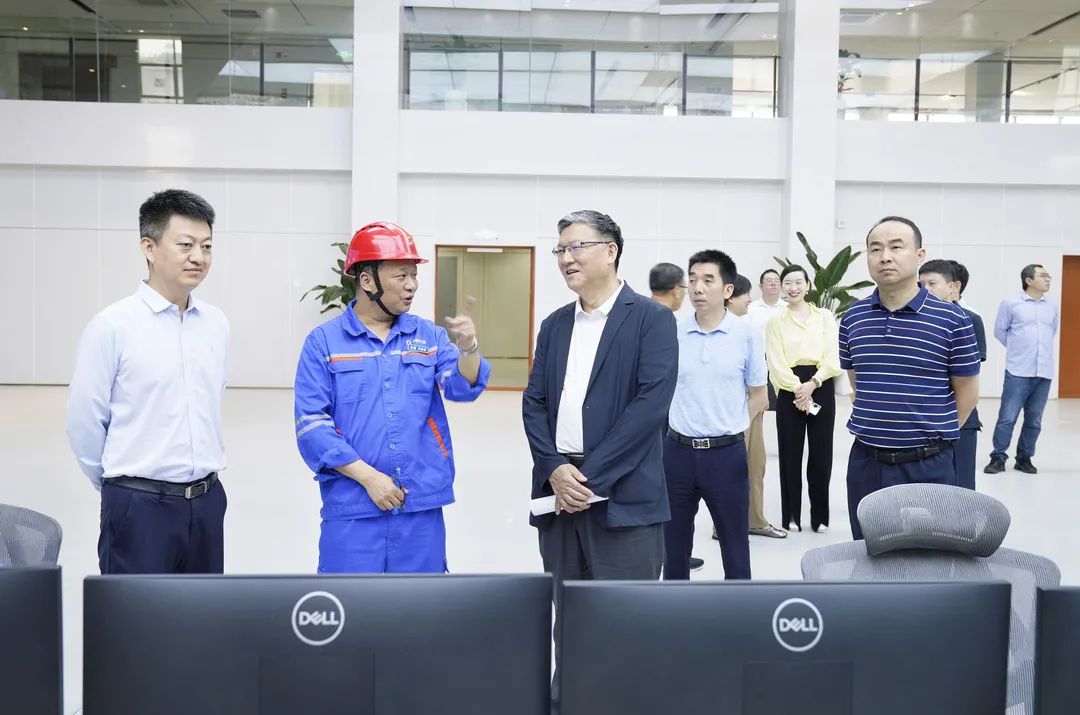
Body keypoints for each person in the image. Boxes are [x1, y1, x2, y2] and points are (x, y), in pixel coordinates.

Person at [293, 222, 491, 573]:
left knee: (419, 604)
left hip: (419, 505)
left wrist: (468, 348)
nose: (412, 284)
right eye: (401, 275)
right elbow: (312, 426)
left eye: (413, 275)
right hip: (353, 506)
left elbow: (462, 387)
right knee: (350, 602)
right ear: (367, 281)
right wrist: (369, 478)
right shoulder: (324, 343)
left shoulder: (427, 337)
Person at [67, 189, 229, 574]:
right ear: (149, 247)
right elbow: (84, 421)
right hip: (139, 507)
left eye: (207, 246)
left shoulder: (216, 324)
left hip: (207, 502)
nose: (199, 256)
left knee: (203, 610)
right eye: (185, 245)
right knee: (134, 611)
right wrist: (119, 485)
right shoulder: (112, 326)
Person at [523, 209, 676, 581]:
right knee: (567, 608)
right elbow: (535, 403)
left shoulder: (651, 319)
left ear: (610, 251)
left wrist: (583, 481)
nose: (566, 258)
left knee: (624, 612)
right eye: (560, 250)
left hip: (623, 500)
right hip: (559, 498)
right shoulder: (554, 324)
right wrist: (555, 469)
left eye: (576, 246)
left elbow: (649, 408)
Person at [840, 217, 980, 540]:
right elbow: (858, 382)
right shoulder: (852, 319)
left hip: (929, 466)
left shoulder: (953, 320)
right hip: (867, 463)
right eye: (875, 249)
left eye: (896, 247)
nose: (885, 257)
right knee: (871, 552)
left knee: (930, 557)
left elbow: (968, 393)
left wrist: (932, 437)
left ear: (919, 255)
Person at [665, 254, 767, 580]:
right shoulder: (673, 333)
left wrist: (731, 425)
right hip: (677, 453)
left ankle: (737, 607)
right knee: (673, 546)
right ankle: (673, 605)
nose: (697, 287)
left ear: (727, 290)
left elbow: (759, 395)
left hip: (726, 455)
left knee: (735, 546)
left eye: (708, 280)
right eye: (693, 279)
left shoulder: (746, 335)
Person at [765, 264, 842, 534]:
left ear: (808, 286)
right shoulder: (776, 320)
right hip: (790, 388)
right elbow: (775, 361)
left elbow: (833, 356)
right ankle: (791, 516)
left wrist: (813, 383)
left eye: (798, 282)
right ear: (782, 287)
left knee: (821, 454)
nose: (793, 287)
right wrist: (798, 389)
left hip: (820, 383)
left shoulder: (825, 317)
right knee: (790, 455)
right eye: (788, 282)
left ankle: (820, 517)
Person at [649, 262, 705, 572]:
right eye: (686, 286)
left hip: (647, 417)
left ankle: (670, 552)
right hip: (662, 419)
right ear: (675, 290)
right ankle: (668, 553)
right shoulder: (667, 322)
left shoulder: (637, 315)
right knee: (665, 490)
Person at [984, 264, 1059, 475]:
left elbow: (1052, 331)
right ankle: (998, 457)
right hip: (1018, 370)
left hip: (1043, 372)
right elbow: (1000, 331)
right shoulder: (1011, 304)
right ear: (1028, 280)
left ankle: (1024, 458)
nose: (1048, 279)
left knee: (1034, 421)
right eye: (1043, 275)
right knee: (1007, 417)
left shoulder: (1051, 306)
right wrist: (1019, 349)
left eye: (1049, 276)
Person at [726, 275, 786, 540]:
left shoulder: (743, 327)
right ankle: (730, 524)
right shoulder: (733, 330)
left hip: (751, 406)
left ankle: (753, 520)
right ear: (729, 295)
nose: (749, 300)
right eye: (745, 294)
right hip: (736, 412)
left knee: (755, 466)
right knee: (737, 469)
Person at [920, 259, 987, 490]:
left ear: (952, 287)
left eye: (932, 283)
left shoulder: (969, 320)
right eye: (921, 284)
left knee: (960, 486)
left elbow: (967, 379)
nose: (925, 289)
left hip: (959, 418)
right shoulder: (913, 319)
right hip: (921, 419)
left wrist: (953, 423)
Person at [747, 269, 787, 411]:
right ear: (761, 286)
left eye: (776, 281)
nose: (773, 284)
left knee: (781, 402)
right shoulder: (751, 308)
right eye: (769, 281)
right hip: (758, 359)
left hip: (782, 360)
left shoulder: (787, 308)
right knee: (760, 402)